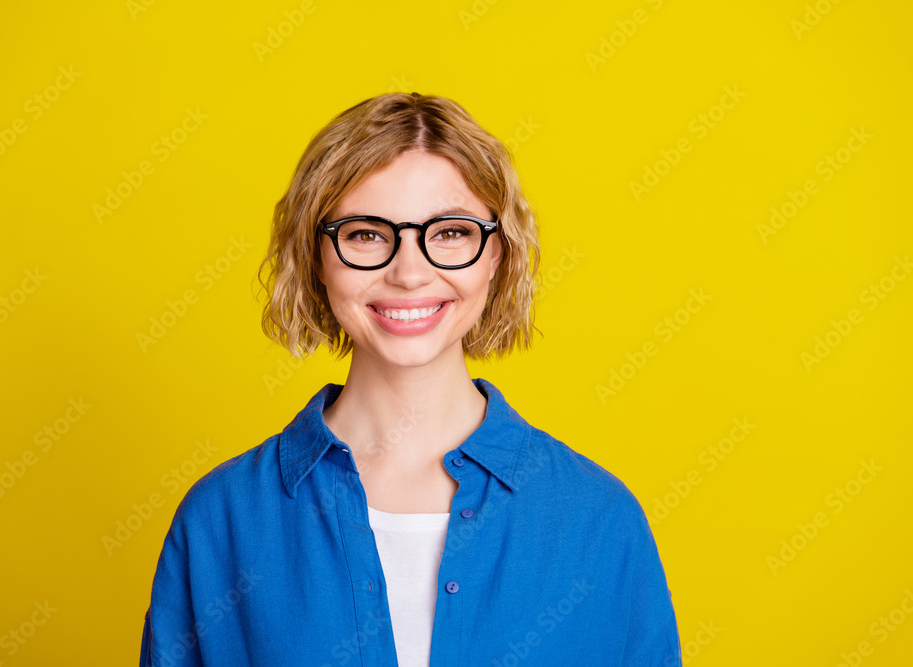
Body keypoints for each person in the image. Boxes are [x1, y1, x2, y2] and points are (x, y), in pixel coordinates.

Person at [139, 92, 682, 666]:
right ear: (316, 256)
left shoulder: (597, 519)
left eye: (449, 232)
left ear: (497, 254)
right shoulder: (222, 519)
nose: (409, 272)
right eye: (366, 234)